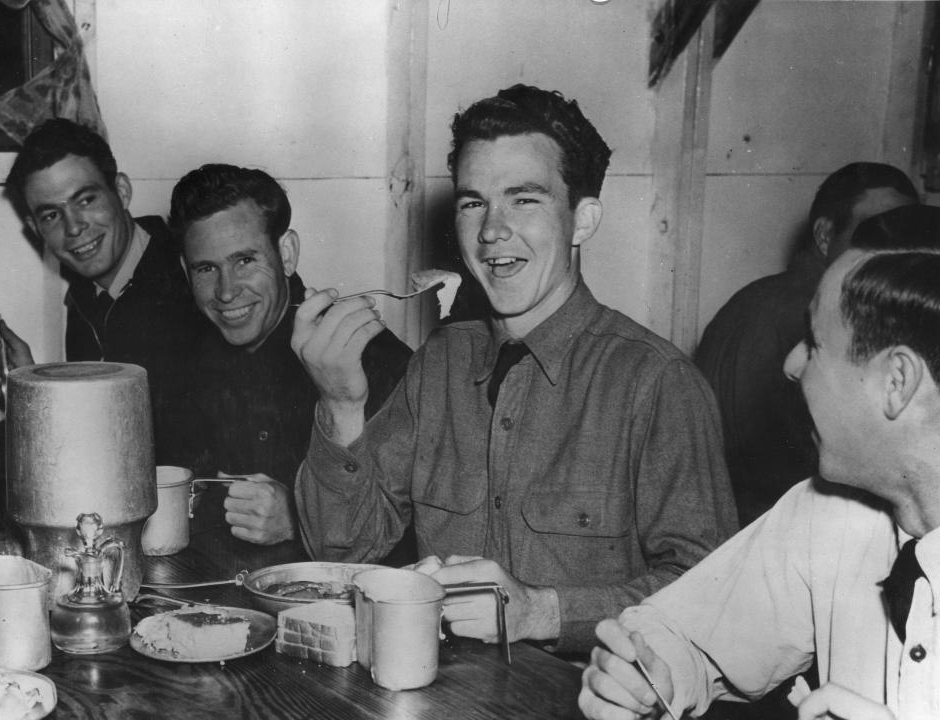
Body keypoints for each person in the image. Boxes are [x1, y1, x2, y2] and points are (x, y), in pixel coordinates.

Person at [291, 84, 737, 654]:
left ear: (583, 220)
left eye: (524, 199)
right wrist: (340, 404)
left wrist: (541, 612)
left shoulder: (656, 383)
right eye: (474, 202)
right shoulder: (440, 364)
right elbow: (342, 555)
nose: (492, 230)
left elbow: (712, 601)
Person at [579, 204, 940, 720]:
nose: (792, 365)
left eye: (815, 344)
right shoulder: (832, 512)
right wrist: (650, 674)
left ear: (896, 382)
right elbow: (688, 632)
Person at [169, 164, 412, 549]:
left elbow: (423, 531)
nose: (226, 292)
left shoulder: (363, 354)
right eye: (206, 269)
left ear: (286, 253)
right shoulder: (186, 361)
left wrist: (299, 522)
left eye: (244, 261)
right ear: (186, 272)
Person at [694, 162, 919, 527]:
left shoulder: (756, 298)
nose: (895, 246)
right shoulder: (820, 318)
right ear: (825, 236)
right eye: (875, 232)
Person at [0, 118, 207, 464]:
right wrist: (25, 386)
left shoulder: (192, 275)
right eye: (52, 215)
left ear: (123, 191)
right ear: (35, 229)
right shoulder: (86, 300)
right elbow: (98, 441)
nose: (74, 228)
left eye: (85, 200)